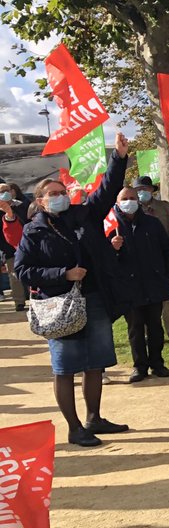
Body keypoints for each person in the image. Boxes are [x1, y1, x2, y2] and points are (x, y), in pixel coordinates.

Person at [11, 133, 136, 447]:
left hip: (93, 299)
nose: (59, 196)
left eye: (62, 191)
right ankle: (74, 426)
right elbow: (23, 270)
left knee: (96, 363)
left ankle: (94, 418)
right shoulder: (34, 231)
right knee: (65, 368)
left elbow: (107, 192)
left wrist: (119, 158)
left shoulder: (82, 214)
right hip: (59, 305)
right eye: (52, 193)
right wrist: (63, 274)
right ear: (40, 202)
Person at [110, 185, 169, 383]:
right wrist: (112, 248)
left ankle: (157, 363)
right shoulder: (111, 226)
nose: (129, 201)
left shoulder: (152, 223)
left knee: (155, 327)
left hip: (154, 284)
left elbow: (168, 250)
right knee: (135, 328)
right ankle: (139, 366)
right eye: (125, 198)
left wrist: (168, 276)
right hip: (128, 288)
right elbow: (103, 259)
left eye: (132, 197)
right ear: (117, 202)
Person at [134, 175, 169, 341]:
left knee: (167, 294)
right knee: (146, 296)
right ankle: (150, 332)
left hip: (164, 255)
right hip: (142, 258)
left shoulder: (164, 208)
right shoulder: (133, 209)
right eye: (138, 190)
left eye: (145, 189)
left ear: (151, 190)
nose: (142, 192)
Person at [0, 181, 28, 312]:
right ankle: (19, 302)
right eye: (2, 191)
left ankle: (34, 297)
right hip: (9, 249)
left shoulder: (22, 205)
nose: (5, 193)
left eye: (7, 190)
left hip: (27, 245)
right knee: (14, 276)